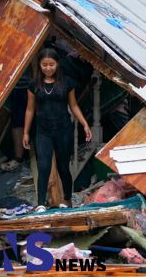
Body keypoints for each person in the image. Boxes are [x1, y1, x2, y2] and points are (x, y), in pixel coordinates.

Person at [22, 48, 92, 207]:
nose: (48, 68)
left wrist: (84, 124)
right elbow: (30, 109)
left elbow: (73, 106)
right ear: (40, 65)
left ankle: (67, 200)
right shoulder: (34, 84)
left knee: (63, 167)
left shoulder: (67, 82)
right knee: (44, 166)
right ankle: (40, 204)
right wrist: (26, 132)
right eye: (44, 65)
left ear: (57, 64)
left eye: (51, 64)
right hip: (42, 131)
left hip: (63, 129)